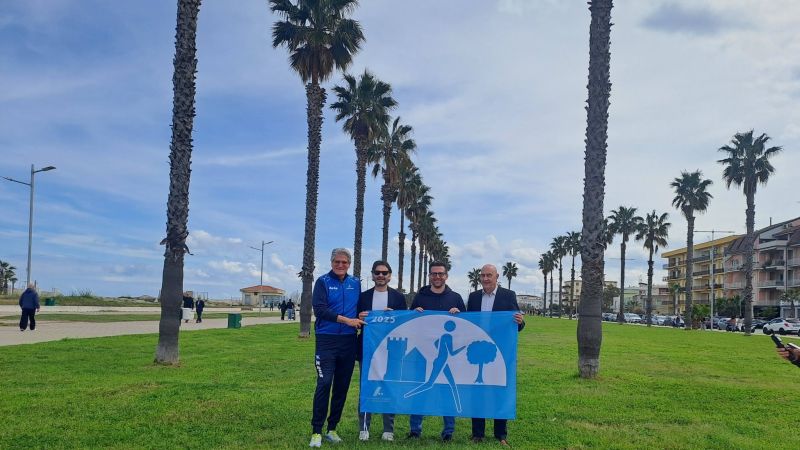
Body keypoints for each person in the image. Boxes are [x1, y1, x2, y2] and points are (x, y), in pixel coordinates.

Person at [309, 248, 366, 448]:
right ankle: (316, 431)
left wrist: (366, 315)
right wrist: (347, 321)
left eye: (344, 262)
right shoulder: (323, 282)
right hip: (327, 340)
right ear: (331, 262)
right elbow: (320, 310)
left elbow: (359, 308)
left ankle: (332, 429)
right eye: (337, 261)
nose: (340, 265)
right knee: (324, 384)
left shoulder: (355, 283)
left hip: (348, 342)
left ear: (349, 264)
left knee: (341, 387)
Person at [467, 264, 525, 447]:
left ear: (497, 276)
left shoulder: (508, 295)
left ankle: (500, 434)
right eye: (483, 275)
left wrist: (520, 321)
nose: (485, 279)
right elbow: (468, 323)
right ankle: (477, 433)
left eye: (489, 275)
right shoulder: (473, 297)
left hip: (501, 351)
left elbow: (517, 324)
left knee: (499, 390)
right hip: (477, 349)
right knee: (478, 391)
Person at [407, 261, 465, 442]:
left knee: (448, 390)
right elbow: (409, 324)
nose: (437, 277)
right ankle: (415, 430)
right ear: (430, 276)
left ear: (446, 276)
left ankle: (448, 431)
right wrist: (414, 313)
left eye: (440, 273)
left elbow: (466, 327)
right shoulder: (420, 296)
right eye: (434, 274)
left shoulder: (455, 298)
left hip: (447, 361)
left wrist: (459, 315)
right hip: (425, 357)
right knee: (424, 388)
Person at [356, 260, 407, 442]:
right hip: (367, 350)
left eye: (384, 273)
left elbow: (404, 323)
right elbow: (355, 320)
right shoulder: (363, 297)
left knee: (389, 387)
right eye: (377, 272)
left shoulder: (398, 298)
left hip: (391, 350)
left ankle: (388, 429)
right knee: (366, 387)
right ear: (372, 275)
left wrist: (394, 316)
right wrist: (358, 316)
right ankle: (364, 428)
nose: (380, 275)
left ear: (389, 276)